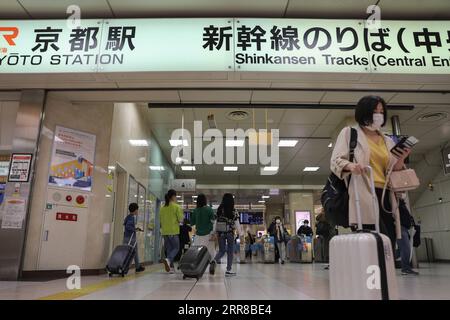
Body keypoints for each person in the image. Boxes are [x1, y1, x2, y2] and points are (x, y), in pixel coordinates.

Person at [331, 95, 411, 251]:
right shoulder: (350, 133)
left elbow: (393, 170)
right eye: (375, 111)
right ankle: (371, 274)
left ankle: (384, 274)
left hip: (388, 196)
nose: (379, 115)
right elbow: (335, 161)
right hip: (364, 192)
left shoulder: (387, 141)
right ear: (364, 112)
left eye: (381, 111)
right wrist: (351, 166)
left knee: (389, 242)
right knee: (372, 242)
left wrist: (401, 159)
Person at [211, 193, 242, 277]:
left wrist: (213, 232)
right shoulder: (233, 210)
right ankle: (228, 270)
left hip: (220, 233)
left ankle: (214, 261)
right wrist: (241, 234)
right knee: (230, 251)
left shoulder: (219, 209)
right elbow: (237, 223)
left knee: (221, 250)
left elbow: (215, 222)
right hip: (230, 233)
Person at [190, 193, 216, 273]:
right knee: (210, 251)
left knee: (198, 252)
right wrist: (213, 233)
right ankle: (212, 263)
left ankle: (198, 267)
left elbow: (192, 223)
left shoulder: (195, 210)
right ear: (205, 200)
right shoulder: (209, 210)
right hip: (208, 234)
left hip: (198, 235)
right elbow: (214, 222)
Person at [160, 189, 184, 273]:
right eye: (175, 196)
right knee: (176, 248)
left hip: (165, 232)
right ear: (173, 196)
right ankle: (168, 259)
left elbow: (160, 220)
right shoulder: (176, 206)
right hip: (173, 231)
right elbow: (181, 219)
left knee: (170, 250)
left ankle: (171, 268)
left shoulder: (162, 208)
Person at [397, 195, 419, 275]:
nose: (403, 194)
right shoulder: (397, 202)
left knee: (403, 249)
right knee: (406, 248)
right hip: (400, 227)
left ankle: (405, 268)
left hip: (404, 228)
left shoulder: (402, 203)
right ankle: (405, 269)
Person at [123, 203, 145, 272]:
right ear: (135, 210)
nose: (137, 211)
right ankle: (126, 267)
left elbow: (125, 224)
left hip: (127, 237)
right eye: (137, 210)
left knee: (132, 252)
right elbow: (128, 226)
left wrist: (136, 228)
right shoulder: (132, 217)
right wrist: (135, 229)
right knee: (132, 252)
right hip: (131, 238)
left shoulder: (128, 216)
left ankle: (137, 266)